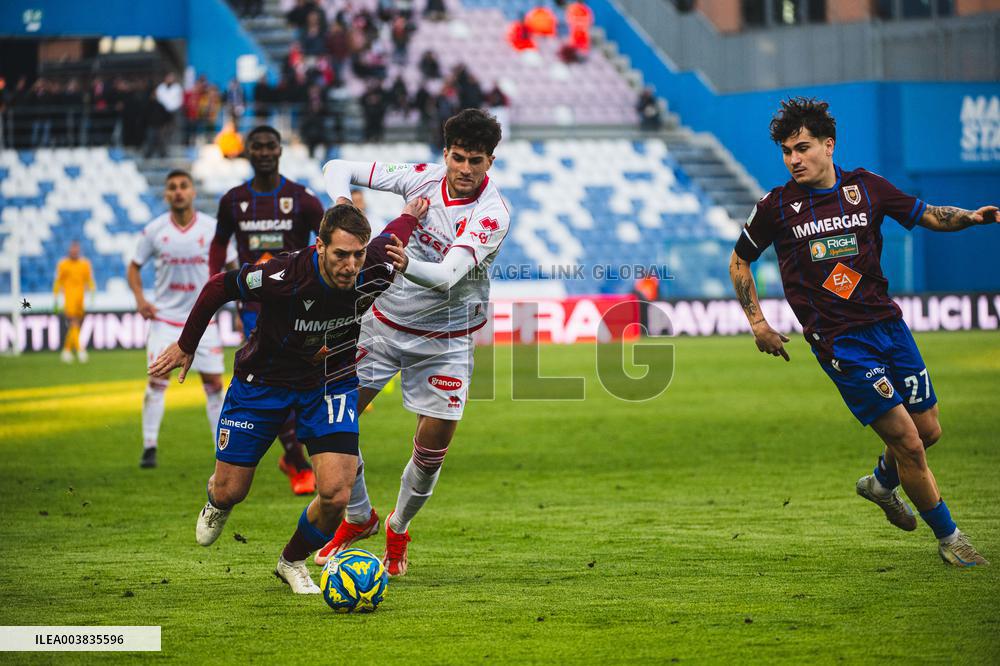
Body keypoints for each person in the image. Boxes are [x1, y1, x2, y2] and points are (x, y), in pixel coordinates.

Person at [729, 97, 996, 568]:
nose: (794, 159)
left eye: (803, 147)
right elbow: (740, 260)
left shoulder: (866, 188)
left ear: (828, 145)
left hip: (889, 328)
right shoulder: (776, 206)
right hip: (839, 342)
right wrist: (757, 322)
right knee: (908, 442)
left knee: (929, 430)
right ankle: (951, 538)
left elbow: (927, 213)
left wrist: (972, 218)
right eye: (787, 151)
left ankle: (879, 483)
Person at [148, 198, 428, 593]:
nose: (351, 265)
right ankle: (217, 501)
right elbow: (218, 286)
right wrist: (185, 344)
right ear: (320, 247)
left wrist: (413, 214)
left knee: (336, 495)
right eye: (341, 255)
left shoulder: (379, 264)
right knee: (231, 490)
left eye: (358, 254)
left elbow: (397, 230)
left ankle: (292, 561)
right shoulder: (285, 274)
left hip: (329, 382)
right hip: (263, 382)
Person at [319, 108, 508, 576]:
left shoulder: (492, 214)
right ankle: (359, 517)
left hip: (446, 341)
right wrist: (344, 207)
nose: (465, 169)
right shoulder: (420, 178)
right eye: (458, 158)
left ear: (490, 163)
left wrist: (401, 263)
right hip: (381, 326)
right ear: (445, 154)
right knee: (330, 421)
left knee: (430, 451)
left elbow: (446, 277)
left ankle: (398, 528)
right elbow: (336, 167)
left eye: (476, 161)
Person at [209, 125, 324, 495]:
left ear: (279, 150)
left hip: (299, 305)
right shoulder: (233, 200)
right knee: (275, 375)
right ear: (246, 151)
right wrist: (217, 285)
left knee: (293, 375)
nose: (263, 152)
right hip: (256, 305)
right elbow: (218, 243)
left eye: (269, 146)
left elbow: (326, 242)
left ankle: (294, 454)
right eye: (256, 146)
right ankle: (297, 459)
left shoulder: (302, 199)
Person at [128, 170, 235, 469]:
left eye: (183, 186)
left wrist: (239, 309)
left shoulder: (213, 229)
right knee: (156, 379)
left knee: (214, 383)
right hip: (165, 320)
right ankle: (149, 446)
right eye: (172, 187)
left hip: (205, 321)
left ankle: (221, 450)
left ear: (191, 192)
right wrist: (140, 299)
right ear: (166, 194)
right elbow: (133, 267)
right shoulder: (154, 230)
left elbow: (233, 266)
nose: (178, 191)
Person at [53, 240, 95, 363]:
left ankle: (66, 350)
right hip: (69, 299)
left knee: (75, 326)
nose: (74, 252)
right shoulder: (63, 264)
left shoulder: (85, 264)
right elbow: (58, 281)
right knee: (74, 322)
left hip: (80, 299)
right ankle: (80, 350)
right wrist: (56, 298)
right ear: (69, 251)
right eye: (73, 250)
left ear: (79, 251)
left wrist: (92, 292)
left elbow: (89, 280)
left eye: (76, 250)